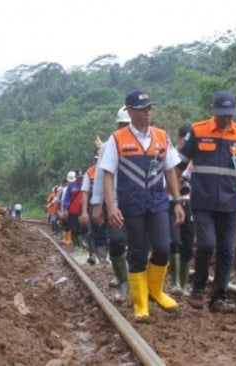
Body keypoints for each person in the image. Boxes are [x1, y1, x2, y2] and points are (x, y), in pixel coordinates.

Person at [177, 91, 236, 313]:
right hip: (203, 201)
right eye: (222, 115)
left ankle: (219, 298)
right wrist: (173, 197)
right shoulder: (198, 131)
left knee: (227, 251)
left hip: (229, 203)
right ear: (213, 110)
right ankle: (198, 288)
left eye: (229, 115)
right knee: (206, 244)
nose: (225, 119)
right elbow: (179, 165)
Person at [100, 91, 185, 321]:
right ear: (130, 111)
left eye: (150, 108)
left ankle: (155, 291)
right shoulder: (116, 140)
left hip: (157, 201)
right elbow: (107, 175)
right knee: (137, 253)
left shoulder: (161, 136)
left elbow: (170, 170)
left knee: (163, 247)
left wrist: (177, 202)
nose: (148, 113)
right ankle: (140, 304)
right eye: (142, 109)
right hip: (131, 203)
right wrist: (111, 206)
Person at [90, 106, 132, 302]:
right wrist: (97, 203)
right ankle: (122, 281)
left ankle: (136, 282)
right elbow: (100, 175)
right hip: (115, 201)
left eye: (128, 125)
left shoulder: (147, 141)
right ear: (117, 125)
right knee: (116, 241)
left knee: (139, 244)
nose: (125, 128)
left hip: (139, 201)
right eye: (122, 125)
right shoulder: (108, 146)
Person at [168, 124, 195, 296]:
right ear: (178, 138)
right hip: (172, 203)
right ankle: (175, 282)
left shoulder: (196, 159)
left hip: (190, 204)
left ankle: (183, 284)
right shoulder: (173, 157)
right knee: (174, 242)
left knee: (188, 245)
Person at [63, 170, 86, 251]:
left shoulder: (86, 184)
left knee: (83, 228)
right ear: (76, 177)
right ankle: (77, 245)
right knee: (74, 228)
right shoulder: (71, 186)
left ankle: (82, 245)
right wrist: (65, 209)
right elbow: (67, 198)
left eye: (81, 177)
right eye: (79, 177)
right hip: (73, 211)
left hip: (83, 210)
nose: (80, 179)